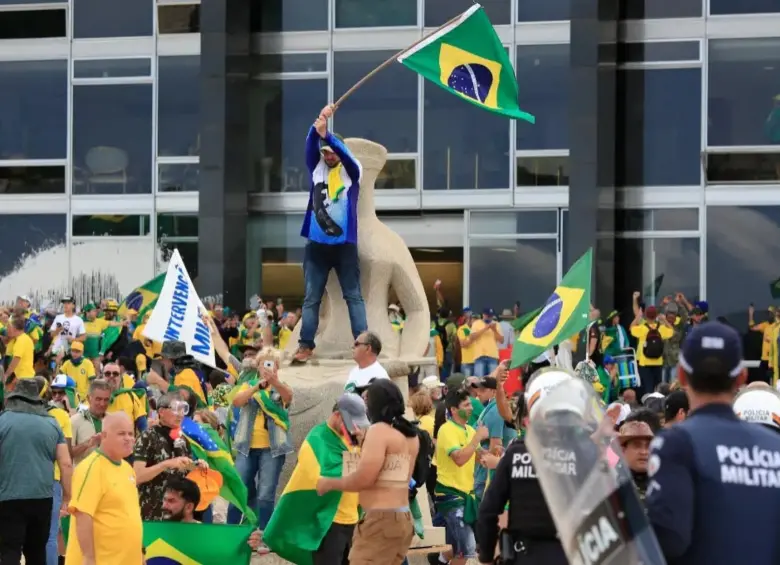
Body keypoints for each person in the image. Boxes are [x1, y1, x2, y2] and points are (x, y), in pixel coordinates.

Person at [646, 322, 780, 564]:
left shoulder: (675, 443)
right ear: (741, 377)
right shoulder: (775, 448)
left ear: (681, 375)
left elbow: (667, 540)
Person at [477, 369, 589, 565]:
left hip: (525, 555)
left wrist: (486, 556)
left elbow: (488, 511)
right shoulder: (586, 454)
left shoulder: (516, 454)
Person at [293, 103, 367, 365]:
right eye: (325, 151)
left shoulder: (352, 170)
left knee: (353, 296)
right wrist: (319, 123)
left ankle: (363, 343)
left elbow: (348, 157)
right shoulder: (316, 167)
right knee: (311, 298)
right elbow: (309, 145)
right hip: (317, 245)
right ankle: (305, 345)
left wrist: (329, 136)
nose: (329, 156)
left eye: (333, 151)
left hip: (344, 244)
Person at [317, 380, 420, 565]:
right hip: (402, 519)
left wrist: (329, 483)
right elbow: (392, 478)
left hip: (380, 522)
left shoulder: (378, 432)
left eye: (366, 400)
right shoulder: (410, 435)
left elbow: (364, 479)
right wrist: (364, 444)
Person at [0, 378, 73, 565]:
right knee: (37, 551)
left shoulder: (3, 421)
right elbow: (66, 463)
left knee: (9, 551)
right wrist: (67, 497)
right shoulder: (52, 423)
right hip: (42, 498)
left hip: (8, 497)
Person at [65, 413, 143, 565]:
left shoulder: (127, 469)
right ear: (104, 436)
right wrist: (88, 558)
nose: (128, 438)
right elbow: (83, 515)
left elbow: (131, 514)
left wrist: (141, 553)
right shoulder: (91, 468)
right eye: (121, 434)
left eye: (130, 434)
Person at [434, 389, 489, 565]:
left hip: (467, 495)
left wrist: (494, 453)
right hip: (451, 495)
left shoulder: (470, 430)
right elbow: (459, 459)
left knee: (459, 548)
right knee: (468, 549)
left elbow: (479, 457)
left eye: (470, 404)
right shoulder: (446, 430)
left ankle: (440, 560)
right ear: (453, 410)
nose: (471, 408)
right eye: (466, 405)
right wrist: (477, 439)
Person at [133, 392, 203, 521]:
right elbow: (137, 476)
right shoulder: (147, 437)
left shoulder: (182, 439)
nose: (180, 414)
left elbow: (183, 471)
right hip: (152, 515)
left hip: (177, 516)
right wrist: (166, 464)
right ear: (161, 411)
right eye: (176, 409)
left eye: (183, 409)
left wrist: (196, 466)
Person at [71, 379, 111, 464]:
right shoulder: (75, 421)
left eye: (106, 400)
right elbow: (67, 454)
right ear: (89, 398)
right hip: (84, 471)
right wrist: (88, 443)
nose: (102, 404)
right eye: (98, 399)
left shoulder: (113, 421)